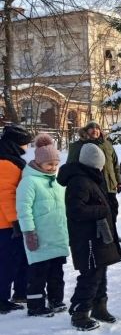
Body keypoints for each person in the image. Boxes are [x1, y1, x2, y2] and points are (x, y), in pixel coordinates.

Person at [58, 143, 121, 331]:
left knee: (100, 272)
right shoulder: (79, 181)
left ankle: (99, 307)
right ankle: (80, 312)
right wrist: (102, 210)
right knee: (90, 275)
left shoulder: (91, 178)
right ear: (94, 163)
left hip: (96, 237)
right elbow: (75, 210)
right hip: (87, 238)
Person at [15, 134, 69, 317]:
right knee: (38, 274)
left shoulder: (57, 183)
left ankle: (56, 300)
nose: (53, 168)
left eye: (55, 164)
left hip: (57, 236)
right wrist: (29, 232)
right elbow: (24, 209)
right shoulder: (29, 182)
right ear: (39, 163)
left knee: (57, 273)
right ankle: (36, 305)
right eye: (49, 164)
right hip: (40, 237)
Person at [67, 121, 121, 240]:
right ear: (86, 131)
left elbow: (115, 164)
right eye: (92, 129)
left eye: (97, 129)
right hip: (91, 185)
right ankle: (100, 236)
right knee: (98, 211)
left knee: (113, 209)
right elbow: (71, 165)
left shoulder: (107, 144)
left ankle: (113, 233)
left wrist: (118, 181)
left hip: (109, 184)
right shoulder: (79, 145)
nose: (95, 131)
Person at [0, 124, 33, 312]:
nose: (27, 147)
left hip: (8, 222)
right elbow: (6, 195)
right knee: (6, 262)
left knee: (15, 260)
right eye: (26, 144)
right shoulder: (6, 163)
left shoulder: (9, 160)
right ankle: (1, 298)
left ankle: (16, 293)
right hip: (6, 224)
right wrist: (16, 222)